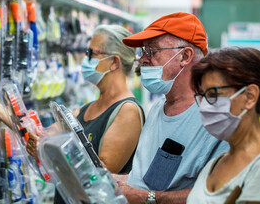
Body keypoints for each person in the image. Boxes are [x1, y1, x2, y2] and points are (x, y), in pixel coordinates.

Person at [116, 12, 229, 204]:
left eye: (152, 51)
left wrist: (145, 198)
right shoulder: (157, 109)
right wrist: (114, 181)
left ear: (185, 56)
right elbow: (147, 179)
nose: (142, 59)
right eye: (143, 51)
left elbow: (218, 194)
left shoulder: (217, 119)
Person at [26, 24, 145, 175]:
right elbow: (46, 134)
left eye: (91, 53)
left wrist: (48, 154)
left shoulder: (128, 111)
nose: (85, 59)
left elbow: (101, 176)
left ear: (114, 62)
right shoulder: (86, 109)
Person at [186, 48, 260, 203]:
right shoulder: (215, 164)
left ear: (250, 96)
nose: (205, 105)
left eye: (213, 94)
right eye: (203, 96)